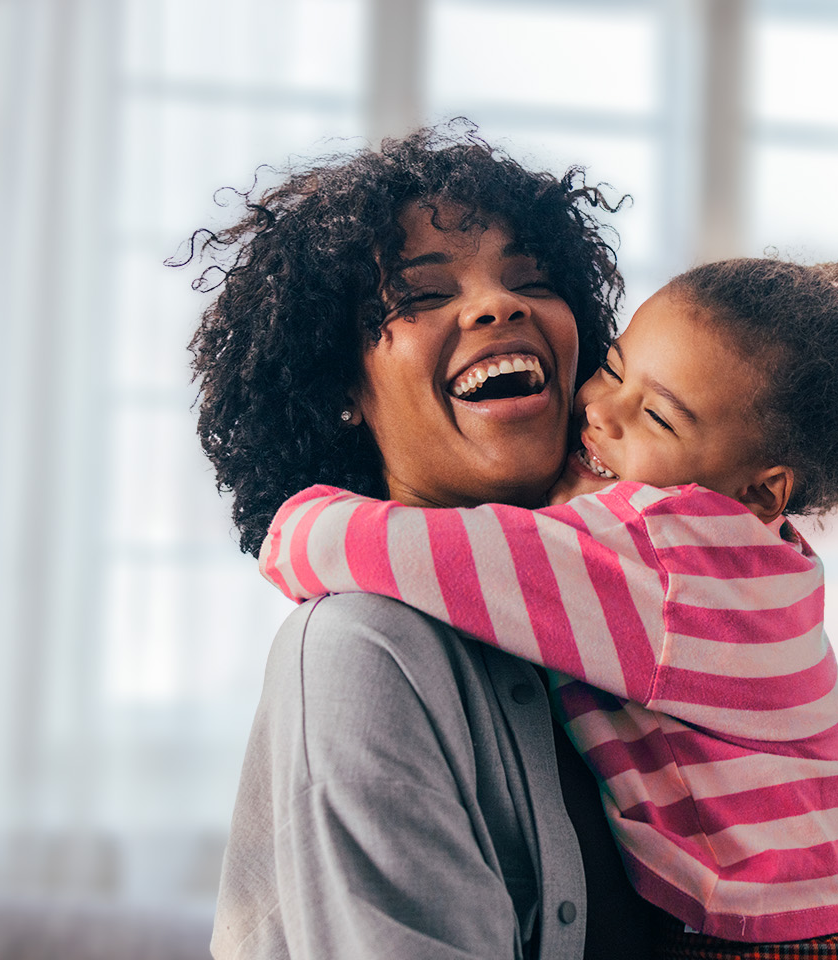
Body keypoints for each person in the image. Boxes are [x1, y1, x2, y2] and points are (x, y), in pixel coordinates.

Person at [259, 254, 838, 959]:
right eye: (611, 367)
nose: (598, 410)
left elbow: (417, 551)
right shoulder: (753, 556)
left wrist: (293, 521)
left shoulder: (665, 553)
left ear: (759, 492)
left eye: (658, 419)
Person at [183, 122, 669, 959]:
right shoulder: (359, 650)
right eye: (420, 294)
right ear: (340, 385)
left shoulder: (628, 609)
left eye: (533, 280)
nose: (499, 304)